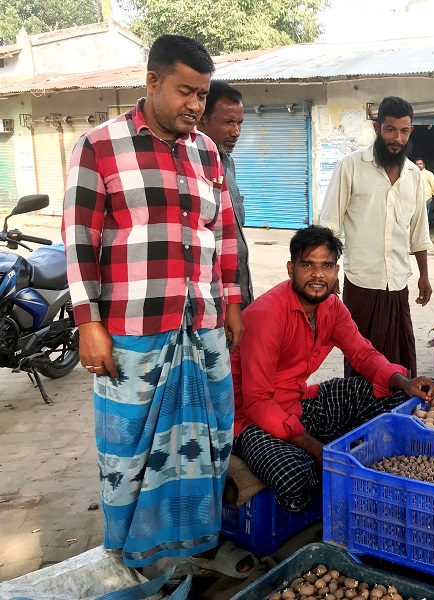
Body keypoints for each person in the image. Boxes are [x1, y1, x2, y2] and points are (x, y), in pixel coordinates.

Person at [62, 35, 251, 576]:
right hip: (133, 330)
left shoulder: (207, 151)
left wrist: (232, 304)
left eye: (202, 94)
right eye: (186, 91)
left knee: (209, 441)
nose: (196, 105)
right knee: (129, 452)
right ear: (152, 82)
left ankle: (193, 547)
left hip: (204, 327)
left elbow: (225, 235)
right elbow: (79, 241)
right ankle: (129, 553)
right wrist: (87, 323)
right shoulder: (99, 147)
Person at [231, 226, 434, 512]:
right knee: (295, 476)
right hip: (254, 421)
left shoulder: (332, 307)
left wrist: (405, 382)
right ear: (291, 269)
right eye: (308, 265)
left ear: (336, 270)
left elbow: (363, 354)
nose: (318, 275)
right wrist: (314, 446)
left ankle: (332, 463)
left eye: (326, 266)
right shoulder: (267, 314)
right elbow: (257, 402)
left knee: (398, 396)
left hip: (300, 402)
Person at [320, 96, 433, 379]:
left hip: (397, 285)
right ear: (377, 128)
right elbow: (330, 225)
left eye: (403, 131)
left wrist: (424, 276)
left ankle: (396, 413)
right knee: (360, 362)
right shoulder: (350, 166)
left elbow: (418, 232)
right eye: (390, 129)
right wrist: (328, 274)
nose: (397, 138)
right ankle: (362, 417)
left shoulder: (414, 176)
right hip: (361, 284)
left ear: (411, 132)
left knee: (400, 357)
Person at [198, 80, 254, 308]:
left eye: (239, 123)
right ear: (202, 119)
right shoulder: (190, 167)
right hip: (209, 298)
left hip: (238, 292)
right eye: (228, 122)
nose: (236, 132)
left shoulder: (228, 164)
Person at [415, 158, 434, 223]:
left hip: (426, 198)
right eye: (417, 164)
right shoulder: (413, 174)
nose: (418, 165)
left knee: (424, 216)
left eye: (420, 164)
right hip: (415, 198)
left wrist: (433, 193)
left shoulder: (428, 174)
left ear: (424, 165)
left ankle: (425, 230)